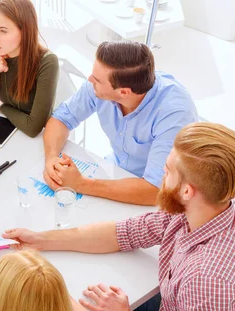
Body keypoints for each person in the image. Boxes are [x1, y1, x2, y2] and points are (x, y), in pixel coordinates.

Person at [4, 122, 235, 311]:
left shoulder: (211, 284)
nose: (161, 174)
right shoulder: (218, 208)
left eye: (167, 171)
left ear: (187, 191)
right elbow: (127, 232)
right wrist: (42, 239)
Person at [43, 41, 197, 206]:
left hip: (153, 196)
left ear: (123, 92)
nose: (90, 79)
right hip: (115, 170)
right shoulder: (99, 86)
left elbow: (155, 191)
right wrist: (51, 158)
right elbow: (61, 118)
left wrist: (81, 184)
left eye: (97, 79)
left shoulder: (174, 114)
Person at [0, 0, 58, 138]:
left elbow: (33, 128)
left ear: (25, 31)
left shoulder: (47, 62)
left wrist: (2, 107)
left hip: (36, 142)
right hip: (9, 133)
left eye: (3, 31)